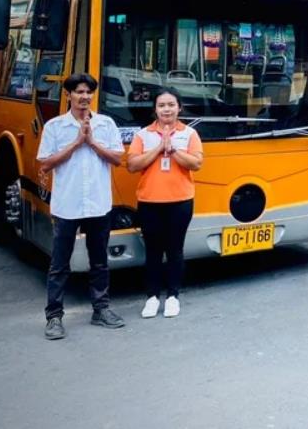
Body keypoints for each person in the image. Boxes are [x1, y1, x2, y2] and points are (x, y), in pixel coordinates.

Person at [37, 73, 125, 340]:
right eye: (79, 92)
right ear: (69, 95)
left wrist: (92, 142)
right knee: (59, 264)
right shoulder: (55, 126)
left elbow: (117, 158)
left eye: (88, 92)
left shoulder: (106, 124)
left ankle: (101, 309)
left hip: (98, 204)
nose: (84, 97)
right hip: (67, 205)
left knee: (99, 261)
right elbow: (46, 163)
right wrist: (76, 143)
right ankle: (54, 317)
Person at [126, 87, 203, 318]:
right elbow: (133, 165)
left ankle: (172, 296)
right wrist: (160, 147)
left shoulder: (189, 134)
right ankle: (151, 297)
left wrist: (174, 150)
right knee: (152, 251)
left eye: (171, 105)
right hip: (150, 201)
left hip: (180, 201)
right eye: (162, 105)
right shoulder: (143, 135)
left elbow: (196, 163)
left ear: (179, 107)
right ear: (155, 109)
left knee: (175, 250)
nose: (166, 109)